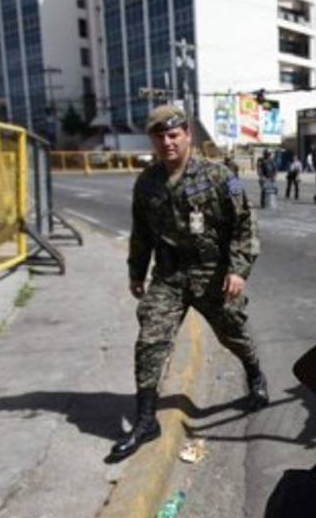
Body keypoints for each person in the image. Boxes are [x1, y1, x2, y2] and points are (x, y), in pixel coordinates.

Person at [110, 105, 269, 462]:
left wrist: (237, 270)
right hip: (168, 276)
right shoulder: (147, 182)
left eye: (173, 135)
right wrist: (136, 272)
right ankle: (146, 420)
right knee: (150, 339)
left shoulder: (217, 176)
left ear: (187, 135)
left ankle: (255, 373)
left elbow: (245, 225)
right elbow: (141, 234)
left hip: (212, 274)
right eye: (159, 137)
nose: (166, 143)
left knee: (233, 333)